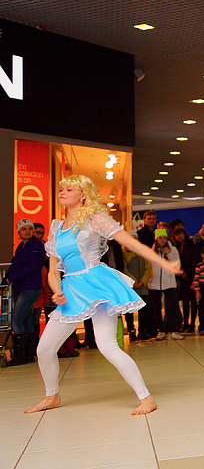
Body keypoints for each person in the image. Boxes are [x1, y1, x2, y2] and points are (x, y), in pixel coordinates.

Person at [25, 174, 181, 415]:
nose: (62, 192)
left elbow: (131, 243)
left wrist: (164, 263)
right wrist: (57, 292)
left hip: (97, 285)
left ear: (83, 195)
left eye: (69, 189)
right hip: (71, 289)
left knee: (107, 346)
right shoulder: (56, 227)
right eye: (62, 189)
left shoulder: (95, 219)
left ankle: (146, 398)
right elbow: (54, 270)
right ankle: (51, 396)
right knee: (44, 349)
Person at [3, 219, 46, 366]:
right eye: (24, 229)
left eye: (29, 228)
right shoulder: (21, 247)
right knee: (26, 320)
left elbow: (31, 266)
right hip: (19, 287)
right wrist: (7, 278)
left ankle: (20, 356)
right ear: (19, 232)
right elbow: (15, 265)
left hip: (30, 287)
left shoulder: (36, 246)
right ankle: (28, 355)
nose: (27, 231)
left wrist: (11, 278)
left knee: (16, 320)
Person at [148, 229, 184, 340]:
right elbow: (149, 266)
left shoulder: (172, 249)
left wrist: (169, 254)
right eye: (160, 238)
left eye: (164, 238)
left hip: (169, 283)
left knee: (172, 307)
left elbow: (177, 265)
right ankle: (161, 330)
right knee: (156, 307)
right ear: (156, 239)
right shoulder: (151, 251)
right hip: (154, 283)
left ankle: (173, 330)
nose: (162, 240)